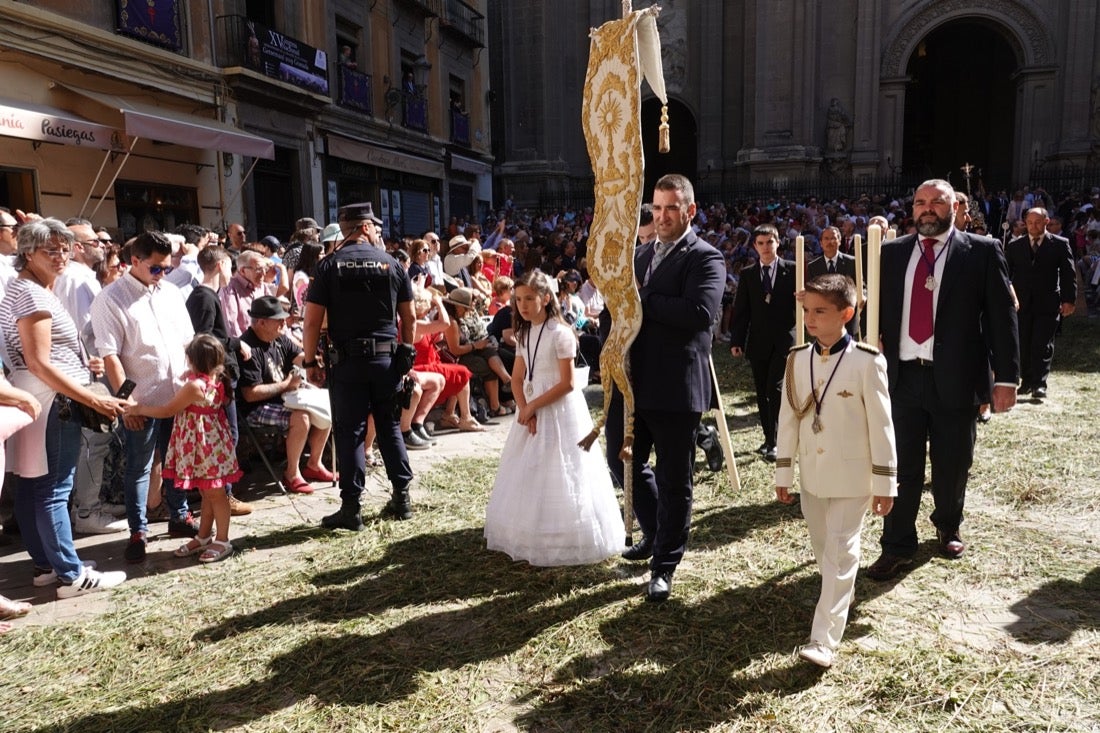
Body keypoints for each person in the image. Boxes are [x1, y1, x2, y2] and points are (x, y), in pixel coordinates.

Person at [866, 179, 1019, 580]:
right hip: (903, 378)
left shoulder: (982, 252)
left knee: (952, 462)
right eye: (920, 202)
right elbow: (876, 310)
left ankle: (948, 525)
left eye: (937, 202)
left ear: (954, 207)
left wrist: (1006, 378)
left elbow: (1002, 318)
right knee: (901, 466)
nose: (927, 209)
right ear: (912, 209)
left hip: (956, 377)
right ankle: (897, 544)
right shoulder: (891, 253)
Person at [0, 218, 129, 596]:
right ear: (27, 252)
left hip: (36, 394)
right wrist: (92, 396)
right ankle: (72, 575)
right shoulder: (33, 294)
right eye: (50, 249)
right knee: (54, 488)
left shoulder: (23, 289)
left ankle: (47, 565)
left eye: (64, 248)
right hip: (50, 398)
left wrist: (79, 362)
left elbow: (38, 357)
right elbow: (38, 361)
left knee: (32, 484)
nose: (61, 256)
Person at [775, 274, 897, 668]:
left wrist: (886, 482)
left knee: (841, 551)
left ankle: (823, 640)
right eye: (807, 310)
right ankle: (840, 594)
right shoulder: (797, 359)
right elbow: (788, 420)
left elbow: (882, 424)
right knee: (824, 546)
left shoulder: (866, 361)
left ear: (847, 313)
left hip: (852, 475)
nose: (810, 319)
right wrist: (783, 473)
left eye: (820, 311)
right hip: (813, 475)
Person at [620, 174, 725, 602]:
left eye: (670, 209)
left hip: (676, 387)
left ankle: (664, 564)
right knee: (621, 460)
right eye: (656, 209)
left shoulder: (707, 258)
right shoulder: (640, 255)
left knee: (674, 478)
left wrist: (642, 300)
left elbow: (699, 312)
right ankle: (654, 529)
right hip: (634, 382)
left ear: (689, 211)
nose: (661, 217)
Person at [484, 270, 622, 565]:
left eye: (529, 298)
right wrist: (524, 407)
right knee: (531, 465)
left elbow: (567, 383)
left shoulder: (560, 333)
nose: (522, 305)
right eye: (518, 299)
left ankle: (565, 535)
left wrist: (534, 406)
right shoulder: (524, 333)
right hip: (532, 406)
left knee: (563, 465)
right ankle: (530, 531)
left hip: (559, 407)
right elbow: (518, 377)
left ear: (546, 299)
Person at [301, 201, 417, 529]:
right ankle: (402, 497)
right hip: (386, 360)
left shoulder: (328, 266)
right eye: (375, 228)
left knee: (350, 432)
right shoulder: (393, 264)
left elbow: (311, 323)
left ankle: (351, 509)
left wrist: (310, 361)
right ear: (365, 227)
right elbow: (409, 316)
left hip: (347, 362)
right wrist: (406, 351)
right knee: (390, 426)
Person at [92, 230, 198, 563]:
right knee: (139, 465)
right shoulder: (110, 298)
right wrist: (127, 405)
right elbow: (111, 357)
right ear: (134, 261)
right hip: (142, 399)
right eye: (156, 268)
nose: (162, 275)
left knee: (176, 458)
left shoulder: (170, 293)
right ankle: (138, 530)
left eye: (167, 268)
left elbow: (187, 341)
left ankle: (180, 515)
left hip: (177, 393)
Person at [131, 335, 241, 563]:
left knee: (216, 494)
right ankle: (204, 536)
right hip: (208, 448)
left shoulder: (194, 386)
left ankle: (223, 540)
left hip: (204, 449)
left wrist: (139, 408)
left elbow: (167, 410)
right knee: (207, 492)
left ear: (192, 359)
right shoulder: (215, 378)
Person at [238, 296, 334, 495]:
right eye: (279, 320)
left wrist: (314, 362)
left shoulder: (278, 338)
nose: (284, 323)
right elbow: (250, 394)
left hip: (283, 399)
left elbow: (298, 356)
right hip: (255, 408)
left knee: (326, 404)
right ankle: (292, 474)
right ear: (262, 322)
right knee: (301, 417)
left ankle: (314, 464)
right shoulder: (247, 348)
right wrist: (286, 385)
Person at [185, 246, 253, 515]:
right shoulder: (203, 297)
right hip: (217, 376)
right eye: (230, 265)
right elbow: (205, 339)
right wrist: (236, 344)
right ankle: (221, 496)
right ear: (222, 264)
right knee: (227, 436)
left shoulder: (208, 295)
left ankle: (221, 495)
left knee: (227, 436)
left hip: (222, 374)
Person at [729, 224, 798, 462]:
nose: (766, 247)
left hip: (784, 342)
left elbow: (803, 305)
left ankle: (777, 441)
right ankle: (769, 437)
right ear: (755, 246)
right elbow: (742, 310)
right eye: (761, 243)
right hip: (758, 342)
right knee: (761, 392)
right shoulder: (748, 274)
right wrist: (737, 339)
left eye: (770, 242)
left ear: (778, 243)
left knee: (774, 389)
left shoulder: (793, 270)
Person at [1005, 207, 1076, 400]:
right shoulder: (1014, 246)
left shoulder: (1060, 244)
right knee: (1024, 342)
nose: (1033, 226)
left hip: (1048, 302)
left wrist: (1069, 300)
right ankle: (1026, 381)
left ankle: (1039, 383)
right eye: (1029, 223)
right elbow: (1005, 275)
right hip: (1022, 303)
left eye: (1037, 222)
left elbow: (1069, 273)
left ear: (1046, 222)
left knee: (1042, 343)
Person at [807, 225, 859, 337]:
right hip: (822, 321)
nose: (830, 241)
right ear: (820, 243)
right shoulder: (813, 266)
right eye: (826, 238)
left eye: (833, 238)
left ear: (840, 241)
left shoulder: (853, 263)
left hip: (846, 319)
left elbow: (861, 286)